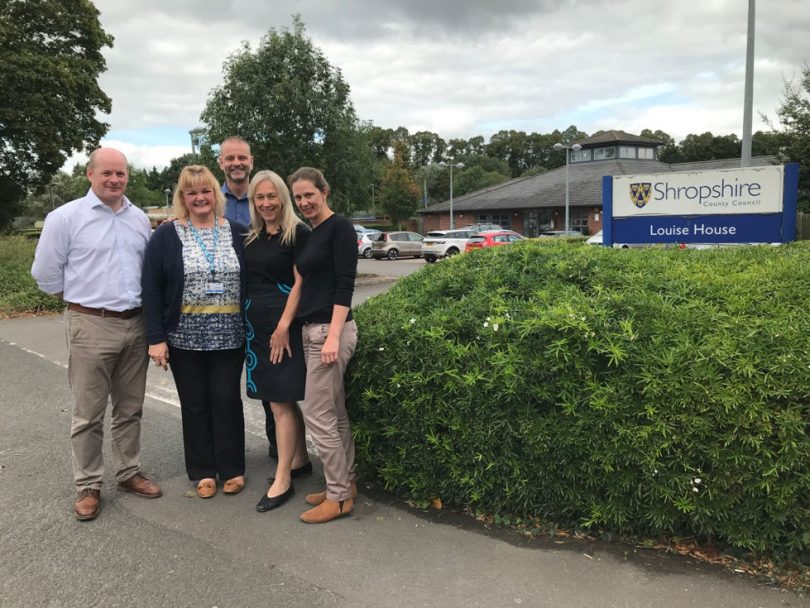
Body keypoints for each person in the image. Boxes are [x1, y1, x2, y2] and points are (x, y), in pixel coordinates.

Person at [31, 147, 163, 521]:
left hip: (135, 323)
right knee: (88, 412)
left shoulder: (138, 218)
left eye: (120, 173)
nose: (114, 180)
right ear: (90, 174)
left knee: (130, 407)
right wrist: (77, 300)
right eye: (106, 173)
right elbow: (45, 274)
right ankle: (88, 484)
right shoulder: (65, 218)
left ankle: (128, 472)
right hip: (90, 323)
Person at [141, 165, 247, 499]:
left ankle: (232, 468)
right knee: (196, 403)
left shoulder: (238, 232)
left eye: (205, 191)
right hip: (184, 338)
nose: (199, 198)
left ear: (216, 194)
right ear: (182, 198)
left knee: (226, 400)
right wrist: (156, 339)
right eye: (192, 192)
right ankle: (203, 470)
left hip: (230, 336)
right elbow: (152, 289)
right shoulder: (166, 235)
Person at [289, 167, 359, 524]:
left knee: (317, 414)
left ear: (325, 192)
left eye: (309, 195)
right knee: (335, 413)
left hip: (329, 333)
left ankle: (339, 496)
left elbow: (345, 283)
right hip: (311, 331)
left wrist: (332, 335)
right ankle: (345, 484)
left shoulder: (340, 228)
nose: (304, 203)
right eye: (298, 197)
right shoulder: (311, 233)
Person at [243, 170, 313, 512]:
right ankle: (299, 460)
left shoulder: (297, 232)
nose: (267, 203)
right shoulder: (254, 235)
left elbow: (301, 283)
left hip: (281, 328)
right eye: (260, 197)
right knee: (278, 399)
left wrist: (285, 325)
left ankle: (283, 477)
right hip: (256, 331)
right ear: (253, 201)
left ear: (283, 198)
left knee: (280, 401)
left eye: (272, 196)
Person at [218, 136, 277, 459]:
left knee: (271, 383)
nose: (236, 163)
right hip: (223, 307)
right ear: (221, 163)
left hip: (261, 302)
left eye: (242, 158)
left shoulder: (266, 197)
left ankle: (279, 448)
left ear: (251, 161)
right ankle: (230, 455)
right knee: (226, 388)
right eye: (230, 159)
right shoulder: (212, 199)